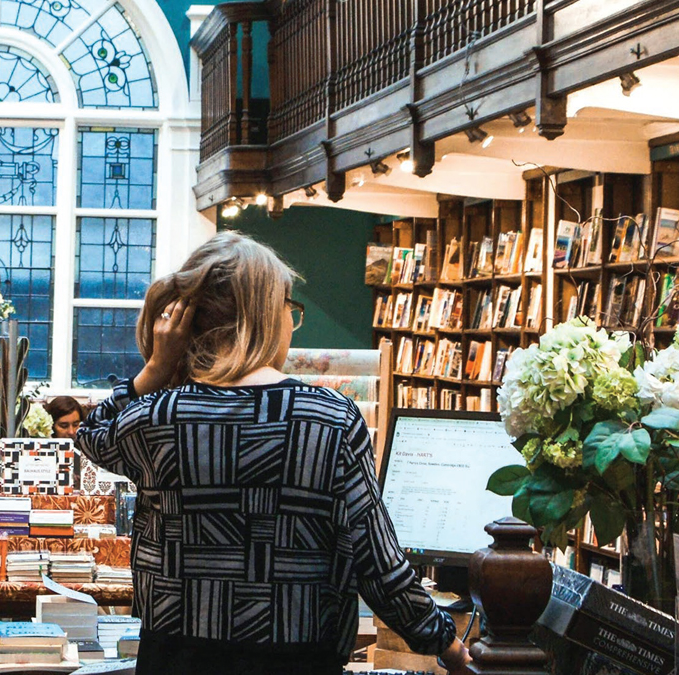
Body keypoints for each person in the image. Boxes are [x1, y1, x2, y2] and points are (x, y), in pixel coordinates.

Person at [74, 232, 470, 675]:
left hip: (174, 657)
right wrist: (447, 645)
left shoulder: (159, 417)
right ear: (266, 314)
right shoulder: (329, 419)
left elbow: (91, 433)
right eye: (290, 309)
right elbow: (377, 563)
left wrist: (155, 368)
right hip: (299, 658)